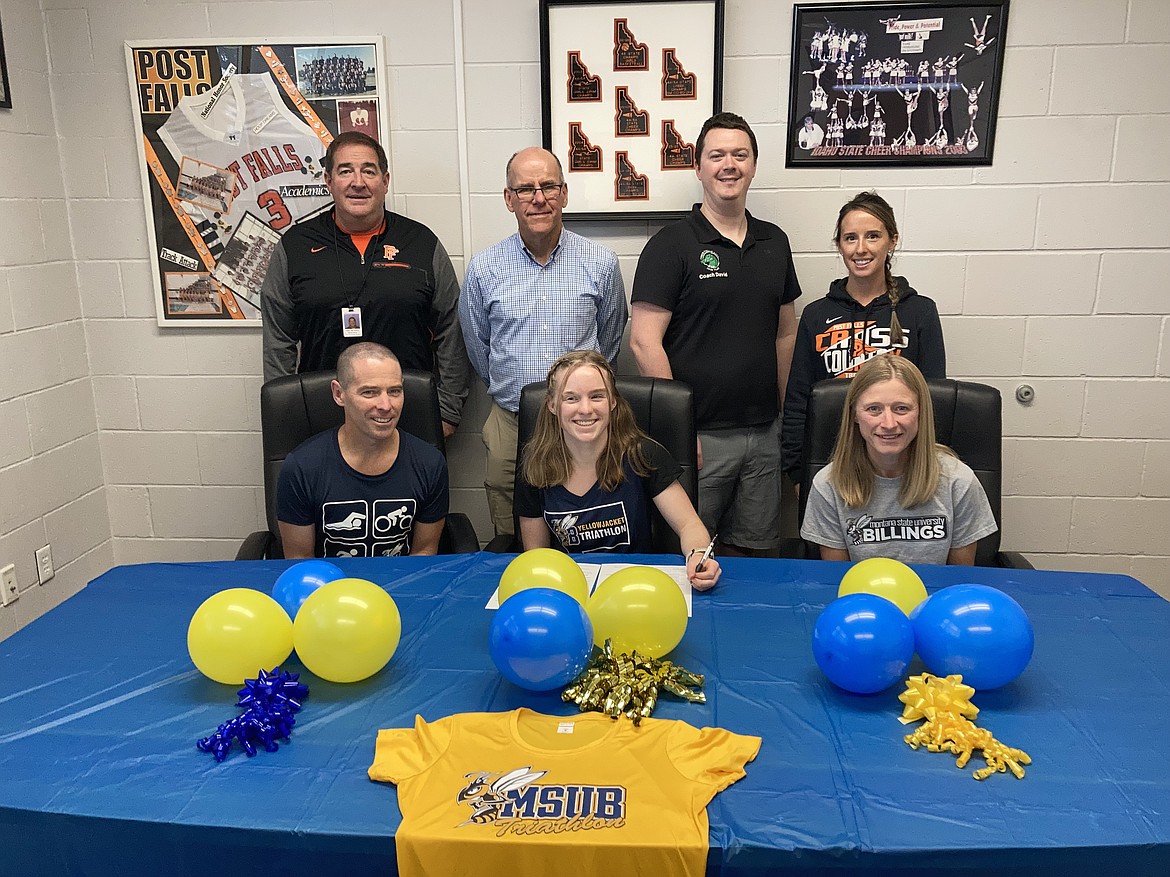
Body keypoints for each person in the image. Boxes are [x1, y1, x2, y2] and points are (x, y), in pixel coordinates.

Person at [630, 112, 802, 558]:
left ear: (754, 165)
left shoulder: (775, 242)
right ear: (698, 165)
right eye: (717, 155)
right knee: (692, 556)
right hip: (700, 437)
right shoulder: (671, 245)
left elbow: (786, 334)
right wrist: (680, 430)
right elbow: (644, 342)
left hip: (764, 434)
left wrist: (783, 418)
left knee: (758, 556)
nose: (729, 165)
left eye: (740, 155)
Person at [460, 147, 627, 539]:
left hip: (584, 423)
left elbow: (611, 341)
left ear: (564, 194)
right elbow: (477, 345)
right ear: (508, 198)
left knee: (587, 526)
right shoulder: (484, 268)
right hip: (510, 421)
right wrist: (506, 386)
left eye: (548, 186)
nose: (538, 198)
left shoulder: (600, 262)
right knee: (511, 531)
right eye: (525, 189)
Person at [262, 130, 470, 437]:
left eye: (368, 171)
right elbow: (278, 340)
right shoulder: (295, 247)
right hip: (322, 416)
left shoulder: (421, 243)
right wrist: (285, 413)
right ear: (328, 182)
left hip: (408, 414)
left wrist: (448, 410)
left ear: (385, 182)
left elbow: (452, 329)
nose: (358, 182)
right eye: (345, 171)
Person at [782, 191, 946, 492]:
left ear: (892, 241)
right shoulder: (817, 315)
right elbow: (798, 400)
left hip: (900, 464)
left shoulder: (920, 311)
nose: (861, 249)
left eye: (873, 236)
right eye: (850, 238)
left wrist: (926, 463)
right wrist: (795, 470)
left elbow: (934, 398)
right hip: (831, 462)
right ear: (839, 245)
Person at [514, 351, 720, 590]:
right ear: (552, 405)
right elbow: (537, 556)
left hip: (635, 589)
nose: (585, 409)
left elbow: (689, 525)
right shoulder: (534, 468)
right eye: (571, 398)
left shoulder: (642, 454)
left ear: (613, 402)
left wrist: (699, 555)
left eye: (597, 396)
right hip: (570, 591)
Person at [800, 356, 996, 565]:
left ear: (921, 413)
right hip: (863, 597)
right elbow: (838, 581)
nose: (889, 423)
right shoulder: (829, 484)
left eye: (901, 408)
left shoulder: (958, 481)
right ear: (855, 415)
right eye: (873, 409)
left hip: (934, 596)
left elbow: (958, 583)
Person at [277, 342, 449, 559]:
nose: (386, 405)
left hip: (400, 586)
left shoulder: (430, 463)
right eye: (370, 392)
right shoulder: (301, 467)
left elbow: (423, 553)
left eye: (394, 391)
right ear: (339, 394)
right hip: (331, 588)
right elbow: (299, 562)